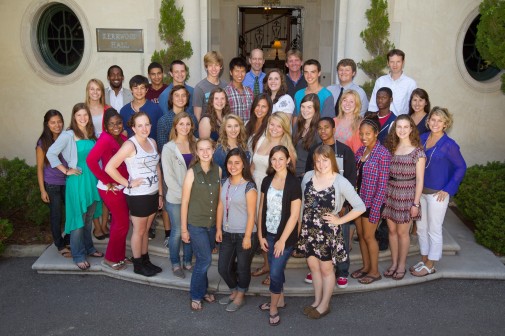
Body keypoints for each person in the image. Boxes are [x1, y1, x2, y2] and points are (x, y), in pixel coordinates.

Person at [299, 144, 365, 319]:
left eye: (325, 160)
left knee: (327, 269)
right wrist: (300, 227)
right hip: (309, 230)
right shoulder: (307, 177)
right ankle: (317, 301)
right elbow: (302, 204)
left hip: (327, 232)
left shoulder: (340, 181)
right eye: (318, 160)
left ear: (332, 160)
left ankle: (325, 305)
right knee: (313, 267)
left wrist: (339, 220)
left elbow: (360, 206)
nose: (321, 164)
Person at [105, 112, 163, 277]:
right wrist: (128, 183)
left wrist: (160, 193)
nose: (144, 128)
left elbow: (156, 168)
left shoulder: (152, 142)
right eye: (140, 125)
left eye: (147, 124)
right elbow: (110, 167)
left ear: (151, 126)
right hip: (138, 196)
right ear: (133, 128)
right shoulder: (130, 145)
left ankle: (145, 260)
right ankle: (138, 264)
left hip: (152, 193)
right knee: (139, 231)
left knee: (145, 230)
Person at [46, 103, 103, 270]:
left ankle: (89, 248)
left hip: (91, 180)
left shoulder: (92, 134)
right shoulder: (68, 135)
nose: (83, 118)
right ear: (74, 117)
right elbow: (51, 153)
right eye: (79, 115)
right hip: (77, 181)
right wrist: (65, 170)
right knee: (78, 219)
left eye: (85, 115)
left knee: (88, 218)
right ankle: (78, 255)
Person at [411, 107, 466, 276]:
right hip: (421, 192)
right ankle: (424, 258)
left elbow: (461, 167)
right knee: (421, 228)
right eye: (433, 119)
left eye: (439, 121)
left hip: (437, 195)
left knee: (434, 229)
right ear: (428, 121)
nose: (435, 123)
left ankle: (431, 264)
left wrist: (448, 189)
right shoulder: (422, 138)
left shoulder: (449, 145)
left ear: (445, 124)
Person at [304, 117, 357, 288]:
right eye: (319, 128)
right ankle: (316, 270)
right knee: (317, 240)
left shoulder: (344, 150)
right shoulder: (314, 150)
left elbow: (351, 178)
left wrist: (344, 206)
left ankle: (342, 271)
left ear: (334, 129)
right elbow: (309, 177)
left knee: (341, 240)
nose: (323, 131)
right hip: (317, 206)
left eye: (327, 127)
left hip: (338, 205)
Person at [257, 145, 302, 326]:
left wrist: (282, 240)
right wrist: (260, 235)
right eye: (274, 159)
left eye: (281, 159)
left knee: (275, 272)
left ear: (288, 160)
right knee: (276, 269)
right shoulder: (267, 180)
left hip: (285, 238)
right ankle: (280, 299)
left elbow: (294, 216)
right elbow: (261, 209)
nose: (277, 162)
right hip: (268, 234)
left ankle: (274, 307)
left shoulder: (293, 183)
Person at [251, 112, 296, 285]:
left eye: (279, 126)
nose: (274, 129)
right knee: (260, 224)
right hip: (256, 186)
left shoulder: (286, 147)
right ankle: (266, 264)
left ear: (284, 128)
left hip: (274, 191)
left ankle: (276, 270)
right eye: (272, 124)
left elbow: (289, 176)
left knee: (274, 227)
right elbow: (253, 164)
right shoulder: (261, 140)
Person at [382, 115, 426, 280]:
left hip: (407, 194)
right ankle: (393, 263)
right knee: (392, 231)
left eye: (405, 127)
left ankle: (401, 265)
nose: (402, 130)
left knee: (402, 233)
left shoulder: (418, 152)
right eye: (399, 127)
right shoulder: (391, 148)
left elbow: (420, 180)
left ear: (411, 129)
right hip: (391, 192)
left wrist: (415, 203)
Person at [87, 108, 130, 271]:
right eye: (111, 124)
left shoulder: (123, 138)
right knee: (122, 223)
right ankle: (110, 258)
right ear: (105, 125)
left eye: (118, 123)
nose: (116, 126)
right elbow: (91, 160)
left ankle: (119, 255)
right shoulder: (105, 138)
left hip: (121, 186)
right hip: (109, 188)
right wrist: (106, 181)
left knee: (120, 223)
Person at [181, 138, 221, 311]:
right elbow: (184, 202)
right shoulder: (191, 172)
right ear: (196, 152)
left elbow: (219, 201)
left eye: (208, 149)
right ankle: (196, 295)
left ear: (213, 150)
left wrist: (219, 228)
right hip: (196, 224)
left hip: (211, 225)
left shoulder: (218, 170)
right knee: (204, 260)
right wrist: (183, 229)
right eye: (201, 149)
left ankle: (202, 290)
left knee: (202, 259)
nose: (205, 152)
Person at [216, 148, 258, 312]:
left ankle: (240, 295)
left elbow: (251, 214)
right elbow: (220, 205)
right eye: (230, 162)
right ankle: (234, 290)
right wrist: (218, 228)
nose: (233, 166)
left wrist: (248, 236)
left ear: (243, 165)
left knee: (242, 267)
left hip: (244, 234)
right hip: (227, 232)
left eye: (237, 163)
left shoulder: (249, 186)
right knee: (223, 267)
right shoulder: (224, 182)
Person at [351, 115, 391, 284]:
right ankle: (366, 267)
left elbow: (382, 186)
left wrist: (375, 209)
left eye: (368, 134)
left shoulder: (383, 154)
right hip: (359, 201)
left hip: (372, 202)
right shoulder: (360, 151)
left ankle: (375, 272)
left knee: (369, 236)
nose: (364, 137)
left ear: (376, 133)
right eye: (361, 134)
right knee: (360, 235)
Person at [161, 112, 196, 278]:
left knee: (189, 230)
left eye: (188, 124)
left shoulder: (195, 144)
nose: (185, 127)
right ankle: (175, 263)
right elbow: (169, 178)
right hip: (176, 198)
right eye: (181, 124)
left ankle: (188, 261)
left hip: (195, 197)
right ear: (175, 125)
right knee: (177, 231)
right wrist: (184, 197)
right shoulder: (168, 148)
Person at [36, 110, 70, 257]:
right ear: (47, 124)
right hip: (52, 184)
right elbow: (39, 168)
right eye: (53, 122)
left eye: (59, 121)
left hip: (68, 181)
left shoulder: (67, 137)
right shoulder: (42, 142)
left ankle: (69, 240)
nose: (57, 125)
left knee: (71, 213)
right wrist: (42, 190)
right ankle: (59, 244)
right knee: (56, 215)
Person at [85, 78, 110, 240]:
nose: (95, 92)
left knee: (106, 188)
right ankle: (97, 226)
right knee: (93, 190)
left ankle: (106, 223)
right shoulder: (82, 109)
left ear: (102, 92)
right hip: (89, 153)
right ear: (87, 91)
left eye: (98, 89)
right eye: (92, 89)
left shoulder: (108, 109)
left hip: (106, 153)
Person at [369, 49, 417, 116]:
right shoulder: (380, 81)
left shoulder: (410, 83)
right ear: (388, 63)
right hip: (381, 122)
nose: (395, 65)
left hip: (401, 123)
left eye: (398, 62)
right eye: (392, 62)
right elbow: (373, 105)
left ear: (403, 62)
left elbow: (413, 107)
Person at [120, 75, 163, 140]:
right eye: (136, 88)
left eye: (142, 88)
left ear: (146, 90)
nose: (139, 91)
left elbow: (161, 132)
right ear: (131, 89)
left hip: (151, 147)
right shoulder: (124, 110)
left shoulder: (156, 109)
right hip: (131, 148)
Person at [293, 59, 334, 123]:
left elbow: (327, 122)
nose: (309, 76)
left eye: (313, 72)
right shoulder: (298, 94)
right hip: (300, 132)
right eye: (306, 72)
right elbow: (296, 117)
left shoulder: (327, 95)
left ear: (319, 73)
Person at [157, 85, 196, 151]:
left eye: (183, 95)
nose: (180, 98)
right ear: (171, 98)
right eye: (177, 95)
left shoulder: (192, 118)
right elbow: (162, 148)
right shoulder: (164, 121)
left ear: (187, 98)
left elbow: (196, 140)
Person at [213, 114, 250, 182]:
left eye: (236, 126)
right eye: (229, 126)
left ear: (240, 127)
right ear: (224, 129)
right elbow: (216, 178)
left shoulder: (244, 146)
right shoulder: (220, 151)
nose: (233, 130)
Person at [193, 51, 228, 121]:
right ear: (206, 67)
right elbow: (197, 117)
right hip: (207, 128)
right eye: (210, 65)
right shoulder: (199, 88)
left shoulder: (225, 86)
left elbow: (227, 110)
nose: (214, 68)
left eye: (217, 65)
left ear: (221, 67)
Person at [293, 93, 321, 178]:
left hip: (309, 175)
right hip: (294, 172)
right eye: (303, 106)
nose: (305, 110)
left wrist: (308, 174)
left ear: (315, 109)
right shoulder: (297, 125)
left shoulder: (319, 129)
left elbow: (320, 156)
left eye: (309, 107)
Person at [224, 57, 254, 122]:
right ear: (231, 72)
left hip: (248, 130)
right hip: (232, 131)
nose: (240, 74)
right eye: (237, 71)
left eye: (243, 71)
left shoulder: (249, 92)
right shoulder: (225, 92)